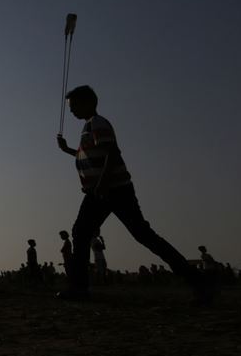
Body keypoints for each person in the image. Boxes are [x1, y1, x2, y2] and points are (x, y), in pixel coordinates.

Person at [56, 85, 210, 302]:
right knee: (141, 235)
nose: (72, 111)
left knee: (84, 233)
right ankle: (197, 281)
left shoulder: (98, 124)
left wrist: (101, 184)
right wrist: (68, 150)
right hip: (110, 190)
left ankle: (79, 289)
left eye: (74, 106)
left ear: (88, 103)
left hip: (109, 190)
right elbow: (94, 156)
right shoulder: (90, 127)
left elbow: (112, 153)